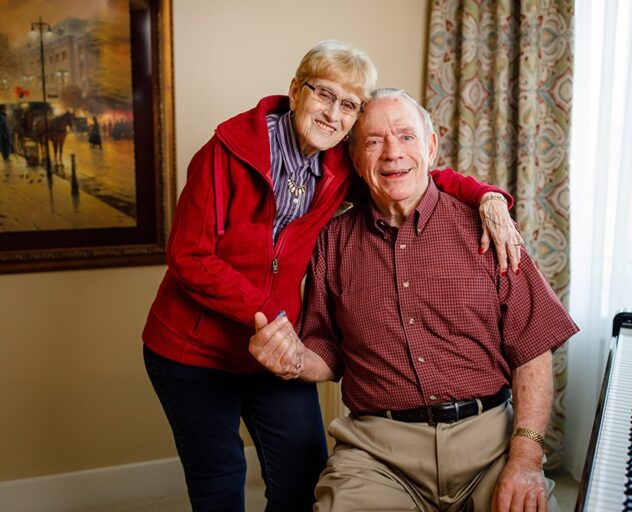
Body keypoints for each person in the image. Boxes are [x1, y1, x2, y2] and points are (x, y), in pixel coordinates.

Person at [142, 41, 524, 512]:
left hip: (276, 349)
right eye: (324, 94)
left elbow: (415, 169)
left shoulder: (343, 162)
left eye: (349, 105)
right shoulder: (224, 153)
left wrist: (488, 196)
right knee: (219, 479)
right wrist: (269, 317)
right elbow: (189, 255)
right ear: (295, 91)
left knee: (304, 476)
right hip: (193, 350)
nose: (333, 113)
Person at [249, 88, 579, 512]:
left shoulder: (489, 230)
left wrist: (526, 459)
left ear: (431, 146)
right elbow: (327, 352)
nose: (392, 154)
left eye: (406, 137)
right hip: (377, 456)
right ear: (354, 157)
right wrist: (292, 359)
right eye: (373, 141)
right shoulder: (332, 241)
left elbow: (533, 350)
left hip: (489, 446)